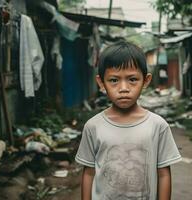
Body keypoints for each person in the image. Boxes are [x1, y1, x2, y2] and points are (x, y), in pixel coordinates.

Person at [75, 41, 181, 200]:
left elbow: (164, 174)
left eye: (132, 79)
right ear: (101, 83)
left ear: (145, 81)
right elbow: (89, 173)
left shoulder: (158, 126)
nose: (123, 88)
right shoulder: (93, 127)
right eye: (114, 80)